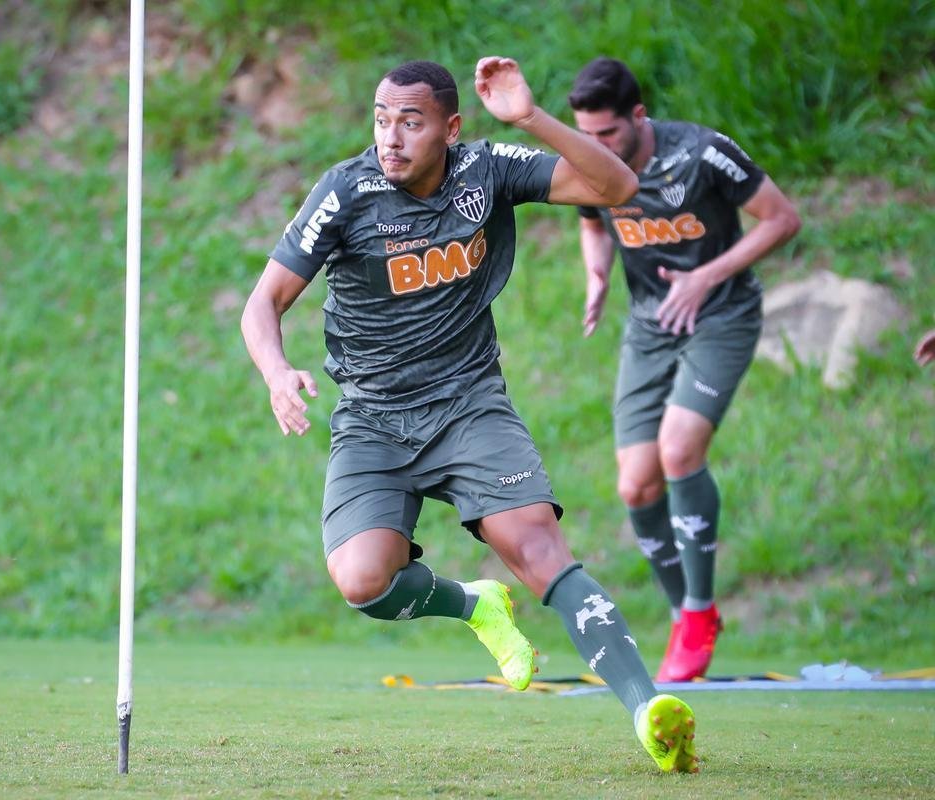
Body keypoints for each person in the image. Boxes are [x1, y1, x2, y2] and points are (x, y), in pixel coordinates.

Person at [241, 56, 698, 773]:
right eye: (381, 120)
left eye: (411, 123)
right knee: (364, 582)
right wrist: (276, 373)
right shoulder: (346, 192)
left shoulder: (487, 171)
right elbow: (262, 303)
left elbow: (618, 185)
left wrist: (530, 118)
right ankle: (475, 606)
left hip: (467, 403)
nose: (391, 138)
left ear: (450, 128)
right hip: (373, 417)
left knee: (539, 550)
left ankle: (648, 710)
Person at [567, 57, 802, 682]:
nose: (597, 150)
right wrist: (596, 274)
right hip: (649, 327)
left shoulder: (703, 153)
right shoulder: (594, 165)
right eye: (585, 137)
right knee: (635, 487)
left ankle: (700, 612)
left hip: (721, 316)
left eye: (608, 135)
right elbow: (592, 224)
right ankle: (682, 613)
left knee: (677, 451)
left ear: (639, 117)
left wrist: (705, 276)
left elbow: (783, 219)